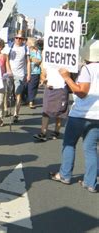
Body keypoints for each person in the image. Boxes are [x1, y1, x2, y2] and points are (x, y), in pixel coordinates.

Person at [49, 39, 99, 193]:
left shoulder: (88, 69)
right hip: (97, 116)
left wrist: (66, 77)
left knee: (69, 144)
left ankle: (65, 175)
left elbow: (82, 92)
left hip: (81, 114)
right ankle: (91, 182)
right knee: (91, 149)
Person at [33, 67, 69, 142]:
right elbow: (43, 74)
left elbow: (70, 76)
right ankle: (43, 132)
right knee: (46, 110)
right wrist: (44, 80)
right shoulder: (48, 62)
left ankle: (56, 131)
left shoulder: (66, 64)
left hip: (61, 88)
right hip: (49, 89)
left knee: (60, 111)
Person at [8, 32, 31, 123]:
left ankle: (15, 114)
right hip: (9, 73)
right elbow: (6, 59)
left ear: (23, 39)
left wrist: (28, 74)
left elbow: (28, 62)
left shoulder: (26, 48)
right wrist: (8, 69)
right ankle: (6, 109)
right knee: (7, 93)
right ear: (14, 38)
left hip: (20, 74)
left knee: (18, 93)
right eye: (17, 38)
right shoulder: (10, 46)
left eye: (20, 38)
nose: (18, 40)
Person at [26, 38, 42, 109]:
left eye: (28, 42)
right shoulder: (27, 51)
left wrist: (32, 59)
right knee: (29, 87)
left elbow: (39, 61)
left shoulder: (37, 51)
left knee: (33, 87)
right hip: (27, 71)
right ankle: (29, 100)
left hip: (35, 72)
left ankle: (31, 101)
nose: (26, 43)